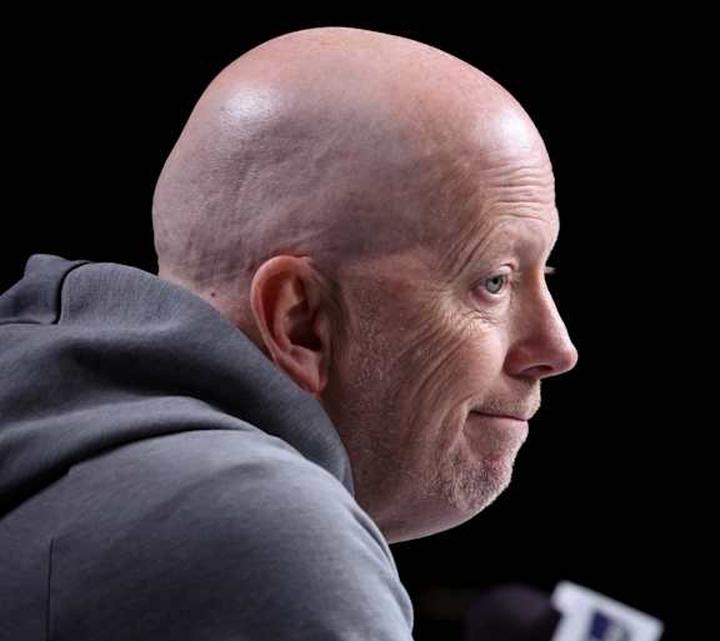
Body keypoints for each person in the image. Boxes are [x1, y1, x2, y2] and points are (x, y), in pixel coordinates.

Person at [0, 26, 578, 640]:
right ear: (300, 321)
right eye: (493, 281)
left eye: (547, 275)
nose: (557, 348)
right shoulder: (260, 529)